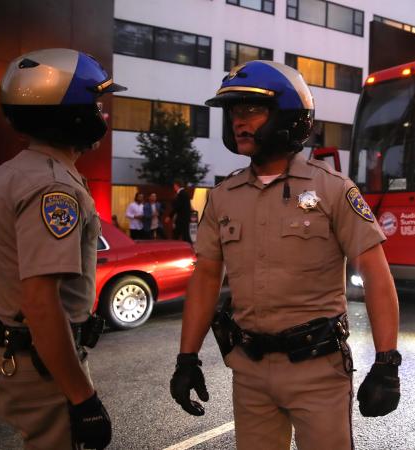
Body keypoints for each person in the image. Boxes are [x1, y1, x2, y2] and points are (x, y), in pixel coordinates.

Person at [169, 60, 402, 450]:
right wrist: (186, 358)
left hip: (318, 372)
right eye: (233, 113)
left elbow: (377, 276)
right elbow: (207, 278)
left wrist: (387, 362)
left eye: (251, 110)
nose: (239, 122)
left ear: (288, 115)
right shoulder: (224, 197)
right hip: (250, 372)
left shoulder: (332, 190)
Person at [0, 48, 122, 449]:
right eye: (94, 105)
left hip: (12, 353)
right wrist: (83, 398)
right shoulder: (53, 187)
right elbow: (41, 302)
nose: (101, 114)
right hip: (42, 366)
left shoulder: (8, 174)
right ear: (70, 114)